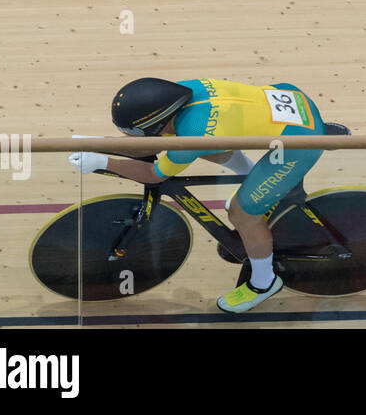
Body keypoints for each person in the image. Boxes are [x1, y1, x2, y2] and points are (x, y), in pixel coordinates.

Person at [68, 77, 327, 313]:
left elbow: (154, 174)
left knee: (242, 212)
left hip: (301, 143)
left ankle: (264, 282)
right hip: (293, 100)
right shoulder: (183, 92)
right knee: (211, 142)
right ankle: (252, 176)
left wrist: (103, 162)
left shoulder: (192, 135)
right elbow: (157, 141)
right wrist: (98, 143)